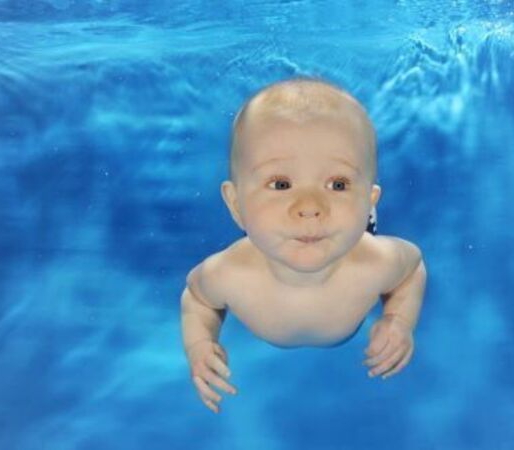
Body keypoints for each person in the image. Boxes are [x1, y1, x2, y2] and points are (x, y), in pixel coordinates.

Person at [180, 76, 427, 414]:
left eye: (337, 183)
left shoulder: (376, 261)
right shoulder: (227, 274)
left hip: (350, 234)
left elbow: (413, 268)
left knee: (356, 229)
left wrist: (398, 320)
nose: (310, 206)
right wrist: (199, 344)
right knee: (329, 223)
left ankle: (358, 212)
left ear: (370, 197)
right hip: (301, 234)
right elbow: (196, 300)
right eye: (281, 184)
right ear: (235, 205)